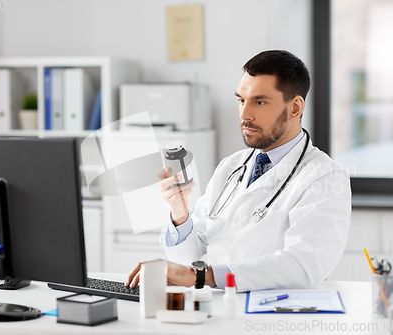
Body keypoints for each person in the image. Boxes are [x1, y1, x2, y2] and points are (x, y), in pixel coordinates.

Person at [126, 50, 351, 292]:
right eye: (241, 100)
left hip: (271, 319)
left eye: (259, 102)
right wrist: (180, 213)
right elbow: (193, 260)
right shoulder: (231, 167)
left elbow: (303, 265)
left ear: (295, 108)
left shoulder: (324, 176)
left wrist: (204, 276)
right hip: (216, 310)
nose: (244, 115)